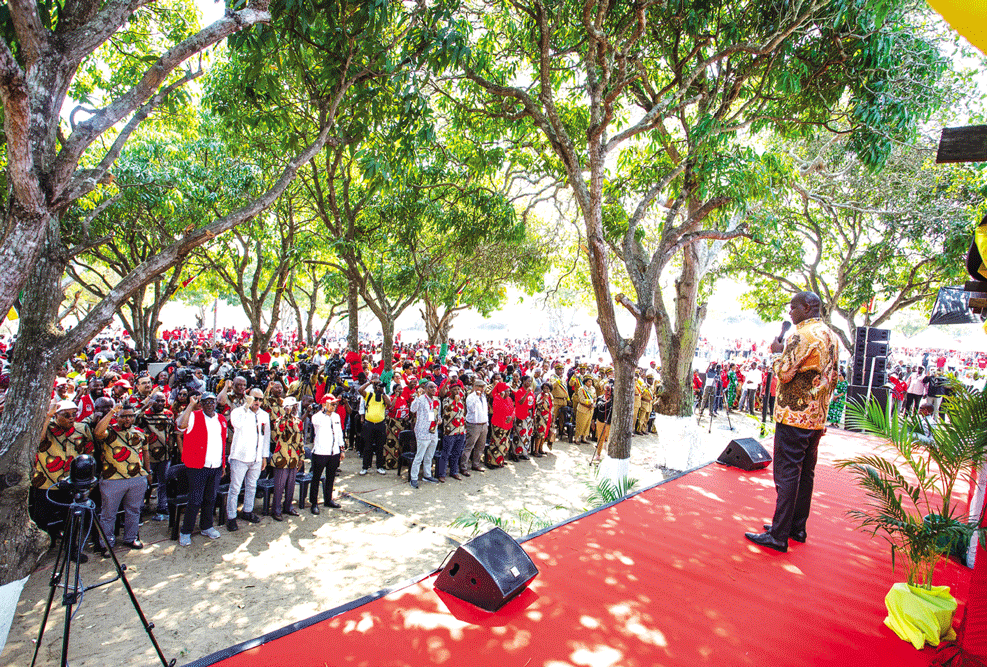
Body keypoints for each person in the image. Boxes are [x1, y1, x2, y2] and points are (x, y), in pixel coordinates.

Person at [745, 291, 839, 553]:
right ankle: (796, 527)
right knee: (805, 474)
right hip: (816, 417)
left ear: (807, 307)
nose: (790, 312)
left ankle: (778, 535)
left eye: (793, 307)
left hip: (794, 416)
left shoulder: (802, 335)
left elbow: (785, 373)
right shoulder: (831, 335)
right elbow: (833, 376)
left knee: (787, 474)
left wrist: (777, 354)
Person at [93, 403, 149, 554]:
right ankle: (107, 543)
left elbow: (145, 452)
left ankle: (131, 538)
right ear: (117, 417)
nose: (127, 419)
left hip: (137, 478)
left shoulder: (140, 432)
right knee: (108, 514)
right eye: (123, 416)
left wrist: (148, 472)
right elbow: (98, 432)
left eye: (130, 416)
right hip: (112, 479)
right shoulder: (109, 431)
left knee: (134, 511)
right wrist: (112, 411)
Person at [177, 392, 227, 546]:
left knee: (210, 498)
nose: (210, 405)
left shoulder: (221, 419)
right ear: (201, 404)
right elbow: (181, 425)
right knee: (195, 500)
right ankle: (186, 531)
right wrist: (190, 405)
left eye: (212, 401)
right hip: (197, 467)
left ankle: (206, 526)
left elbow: (222, 443)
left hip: (215, 466)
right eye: (206, 402)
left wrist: (223, 464)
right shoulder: (193, 416)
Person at [225, 388, 270, 532]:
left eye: (260, 399)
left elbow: (266, 437)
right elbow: (236, 424)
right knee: (235, 488)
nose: (257, 402)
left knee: (251, 486)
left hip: (256, 458)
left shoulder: (264, 415)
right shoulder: (238, 412)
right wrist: (246, 406)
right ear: (248, 397)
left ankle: (247, 511)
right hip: (240, 457)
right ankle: (231, 516)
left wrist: (264, 456)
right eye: (255, 398)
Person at [139, 391, 176, 521]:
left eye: (162, 401)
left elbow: (171, 433)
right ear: (152, 400)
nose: (160, 403)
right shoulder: (145, 415)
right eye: (157, 400)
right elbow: (135, 420)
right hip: (148, 455)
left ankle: (162, 507)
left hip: (165, 455)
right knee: (144, 483)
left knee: (163, 483)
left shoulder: (169, 414)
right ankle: (140, 509)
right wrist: (145, 406)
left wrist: (171, 449)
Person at [309, 394, 345, 513]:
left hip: (334, 452)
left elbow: (339, 434)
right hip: (320, 452)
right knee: (316, 478)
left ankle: (328, 499)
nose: (334, 406)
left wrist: (341, 449)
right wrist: (324, 411)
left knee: (331, 477)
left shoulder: (336, 416)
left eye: (335, 404)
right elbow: (315, 421)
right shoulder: (317, 417)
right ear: (324, 404)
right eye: (332, 404)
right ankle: (314, 503)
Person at [270, 396, 303, 520]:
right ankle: (276, 510)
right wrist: (286, 415)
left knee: (291, 485)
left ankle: (288, 506)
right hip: (281, 457)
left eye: (295, 406)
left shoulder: (298, 422)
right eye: (292, 406)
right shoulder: (279, 421)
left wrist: (301, 457)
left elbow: (300, 441)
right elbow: (278, 433)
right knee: (279, 486)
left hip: (293, 458)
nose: (295, 409)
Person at [409, 381, 440, 488]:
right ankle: (413, 478)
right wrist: (417, 397)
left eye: (435, 387)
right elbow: (412, 409)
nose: (433, 389)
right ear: (425, 389)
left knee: (429, 456)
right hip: (422, 431)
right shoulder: (421, 399)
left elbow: (437, 413)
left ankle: (427, 475)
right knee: (419, 456)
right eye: (431, 387)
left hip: (433, 431)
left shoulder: (436, 400)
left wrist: (439, 419)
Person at [358, 374, 390, 475]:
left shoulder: (383, 396)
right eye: (377, 386)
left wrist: (383, 392)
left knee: (380, 447)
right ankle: (365, 467)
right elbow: (360, 390)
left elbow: (389, 404)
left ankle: (379, 466)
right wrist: (370, 382)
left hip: (380, 424)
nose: (378, 388)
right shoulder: (369, 395)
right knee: (368, 447)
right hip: (369, 424)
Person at [437, 383, 467, 481]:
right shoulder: (446, 400)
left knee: (457, 453)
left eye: (458, 389)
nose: (457, 391)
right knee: (446, 453)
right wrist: (455, 402)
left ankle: (454, 472)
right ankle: (441, 474)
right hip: (450, 431)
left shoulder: (461, 400)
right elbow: (446, 411)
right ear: (450, 391)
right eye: (454, 389)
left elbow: (463, 413)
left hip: (461, 430)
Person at [461, 379, 488, 475]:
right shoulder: (471, 397)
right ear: (475, 387)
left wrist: (486, 423)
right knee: (469, 446)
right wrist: (477, 396)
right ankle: (463, 466)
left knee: (480, 446)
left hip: (483, 423)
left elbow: (485, 411)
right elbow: (471, 409)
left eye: (483, 387)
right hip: (474, 424)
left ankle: (476, 464)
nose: (482, 389)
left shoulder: (483, 397)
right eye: (480, 387)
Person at [486, 382, 514, 468]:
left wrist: (511, 417)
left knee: (505, 444)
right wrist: (501, 397)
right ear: (502, 391)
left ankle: (500, 459)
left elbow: (513, 410)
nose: (508, 393)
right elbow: (499, 409)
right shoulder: (497, 398)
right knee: (496, 444)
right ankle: (492, 462)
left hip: (507, 425)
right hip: (498, 424)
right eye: (506, 391)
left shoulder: (509, 399)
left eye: (509, 391)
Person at [573, 376, 596, 444]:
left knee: (587, 424)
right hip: (583, 409)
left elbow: (595, 397)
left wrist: (593, 404)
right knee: (580, 424)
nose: (590, 383)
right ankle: (577, 438)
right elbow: (581, 400)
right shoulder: (581, 389)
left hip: (590, 409)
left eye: (591, 382)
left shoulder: (593, 389)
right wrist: (590, 402)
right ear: (585, 382)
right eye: (589, 382)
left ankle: (584, 437)